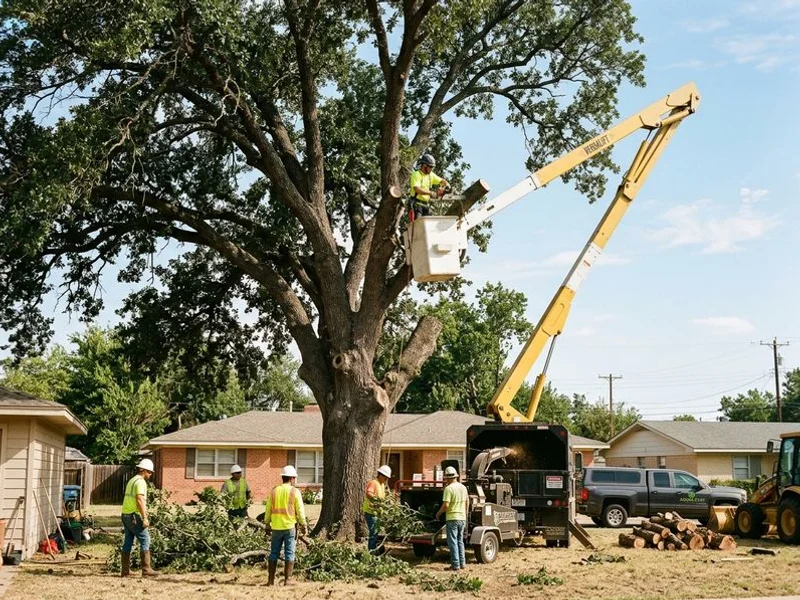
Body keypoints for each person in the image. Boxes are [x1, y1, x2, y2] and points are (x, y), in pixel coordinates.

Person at [264, 465, 307, 586]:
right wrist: (304, 525)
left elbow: (268, 509)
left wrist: (267, 524)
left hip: (276, 527)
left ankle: (270, 580)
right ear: (292, 478)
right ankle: (288, 580)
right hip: (289, 527)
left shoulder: (274, 491)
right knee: (289, 553)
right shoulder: (295, 491)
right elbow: (300, 510)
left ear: (282, 477)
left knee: (273, 553)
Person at [120, 458, 159, 577]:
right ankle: (146, 569)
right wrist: (145, 517)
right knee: (145, 539)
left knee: (128, 542)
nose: (150, 474)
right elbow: (140, 499)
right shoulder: (141, 482)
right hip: (134, 516)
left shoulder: (132, 480)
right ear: (143, 470)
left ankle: (125, 571)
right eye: (149, 472)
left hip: (125, 515)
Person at [435, 466, 468, 571]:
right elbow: (467, 502)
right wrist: (465, 514)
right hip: (462, 518)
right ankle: (462, 563)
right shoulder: (463, 487)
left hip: (452, 518)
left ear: (448, 478)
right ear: (456, 476)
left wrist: (438, 514)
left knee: (452, 542)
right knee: (460, 541)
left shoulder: (448, 489)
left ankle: (455, 565)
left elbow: (446, 505)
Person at [409, 153, 449, 220]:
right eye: (430, 167)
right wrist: (431, 193)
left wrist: (445, 186)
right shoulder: (416, 175)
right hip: (416, 205)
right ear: (424, 165)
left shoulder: (431, 175)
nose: (431, 169)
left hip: (426, 205)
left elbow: (442, 181)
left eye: (432, 167)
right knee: (418, 226)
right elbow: (417, 189)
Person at [362, 465, 392, 553]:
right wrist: (376, 499)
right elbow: (368, 493)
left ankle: (375, 550)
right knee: (373, 532)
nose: (386, 480)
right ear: (381, 475)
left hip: (377, 513)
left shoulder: (382, 484)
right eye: (385, 478)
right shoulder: (374, 483)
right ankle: (371, 552)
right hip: (370, 512)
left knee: (376, 532)